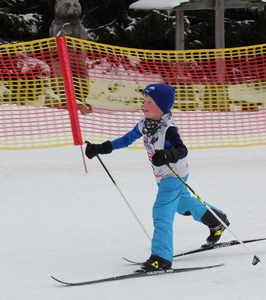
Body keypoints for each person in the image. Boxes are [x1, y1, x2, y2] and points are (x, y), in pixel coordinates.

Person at [85, 83, 230, 273]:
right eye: (144, 101)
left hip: (174, 174)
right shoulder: (144, 124)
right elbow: (125, 140)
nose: (144, 105)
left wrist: (168, 154)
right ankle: (216, 220)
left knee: (161, 211)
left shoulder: (168, 128)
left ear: (162, 105)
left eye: (150, 102)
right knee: (182, 204)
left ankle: (161, 257)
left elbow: (182, 149)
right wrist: (100, 148)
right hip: (162, 175)